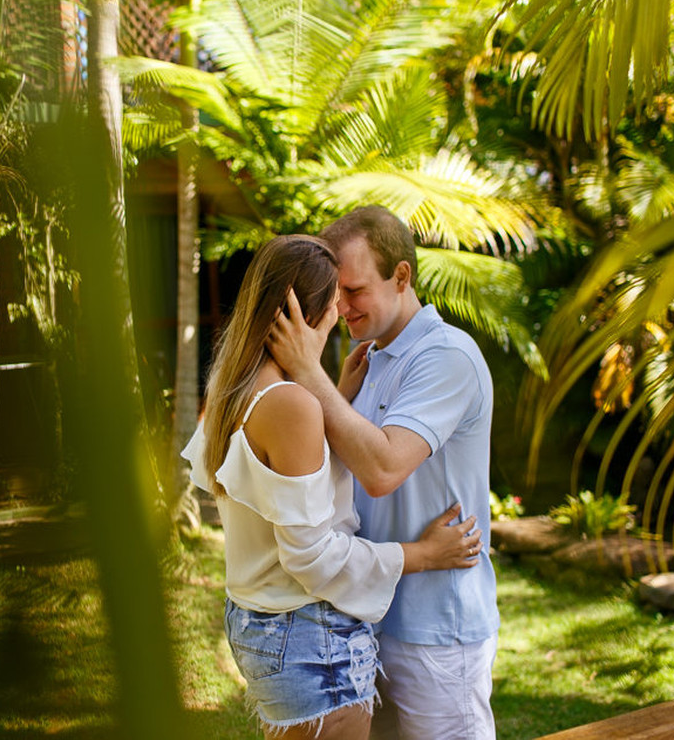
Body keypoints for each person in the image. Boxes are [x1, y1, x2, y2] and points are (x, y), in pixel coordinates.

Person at [181, 234, 484, 740]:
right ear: (305, 314)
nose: (343, 312)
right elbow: (311, 556)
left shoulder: (230, 381)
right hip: (308, 636)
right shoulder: (289, 403)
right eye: (335, 302)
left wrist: (333, 391)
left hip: (263, 623)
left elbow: (271, 481)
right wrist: (423, 554)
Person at [268, 207, 499, 739]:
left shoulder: (445, 356)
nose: (340, 307)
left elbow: (382, 469)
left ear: (401, 276)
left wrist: (308, 371)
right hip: (370, 619)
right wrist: (337, 389)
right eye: (334, 294)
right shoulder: (370, 358)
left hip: (436, 630)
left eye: (354, 290)